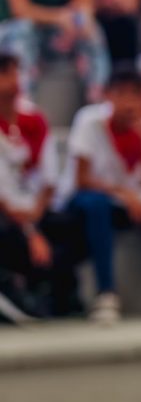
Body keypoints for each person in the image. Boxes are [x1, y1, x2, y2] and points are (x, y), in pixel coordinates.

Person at [58, 65, 141, 324]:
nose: (128, 102)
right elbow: (81, 179)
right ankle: (106, 293)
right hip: (88, 200)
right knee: (96, 206)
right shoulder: (90, 121)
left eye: (134, 95)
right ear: (107, 95)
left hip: (128, 203)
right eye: (120, 94)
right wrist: (125, 195)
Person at [0, 51, 81, 321]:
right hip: (7, 212)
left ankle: (60, 294)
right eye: (4, 74)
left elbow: (49, 180)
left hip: (33, 208)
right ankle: (12, 291)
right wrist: (29, 230)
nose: (13, 82)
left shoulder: (34, 120)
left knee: (73, 223)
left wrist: (35, 214)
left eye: (15, 73)